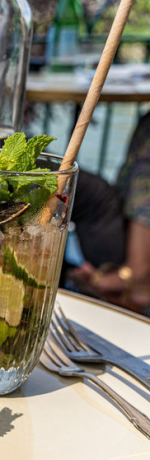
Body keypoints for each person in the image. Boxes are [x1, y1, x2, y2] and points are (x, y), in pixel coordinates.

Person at [68, 112, 150, 316]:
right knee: (76, 187)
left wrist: (134, 274)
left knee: (77, 188)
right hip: (124, 222)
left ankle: (137, 279)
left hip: (135, 266)